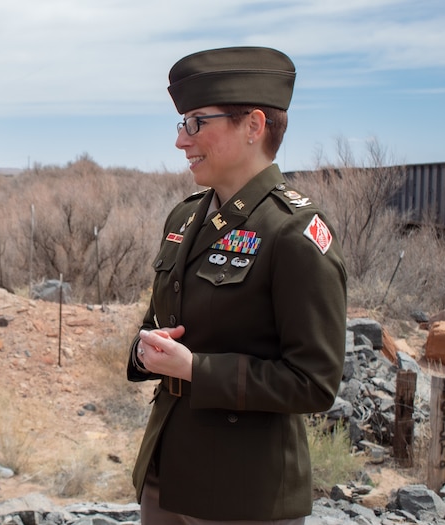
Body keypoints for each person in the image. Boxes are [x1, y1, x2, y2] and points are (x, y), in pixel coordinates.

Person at [127, 46, 347, 524]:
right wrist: (145, 351)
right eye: (182, 124)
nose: (182, 141)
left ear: (253, 125)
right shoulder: (186, 216)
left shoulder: (294, 232)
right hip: (168, 476)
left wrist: (197, 370)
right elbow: (163, 321)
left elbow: (315, 381)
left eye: (196, 123)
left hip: (245, 495)